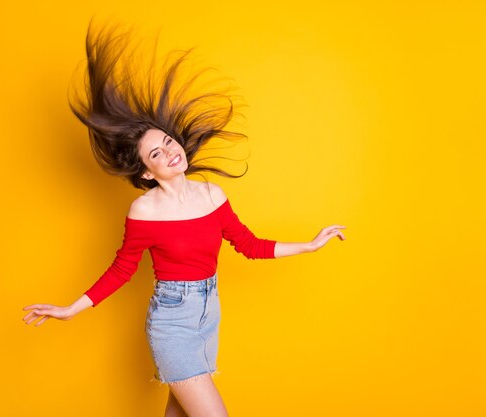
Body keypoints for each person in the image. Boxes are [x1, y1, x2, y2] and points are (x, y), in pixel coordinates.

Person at [22, 20, 347, 417]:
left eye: (168, 142)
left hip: (208, 314)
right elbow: (123, 269)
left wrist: (309, 244)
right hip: (172, 321)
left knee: (179, 413)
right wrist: (72, 308)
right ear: (145, 172)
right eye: (155, 153)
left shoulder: (212, 195)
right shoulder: (144, 212)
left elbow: (249, 245)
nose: (170, 152)